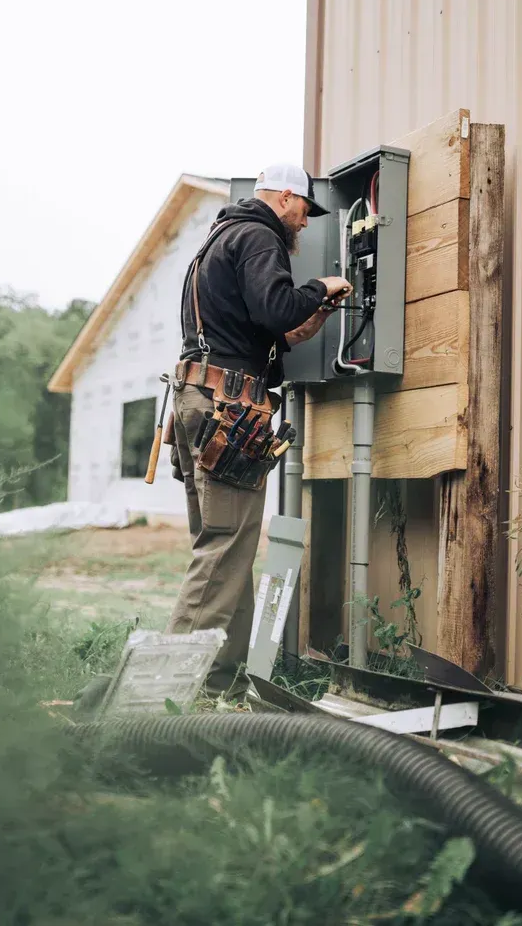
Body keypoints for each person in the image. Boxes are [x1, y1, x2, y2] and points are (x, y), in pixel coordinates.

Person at [166, 163, 352, 699]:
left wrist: (311, 313)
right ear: (286, 198)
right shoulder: (259, 235)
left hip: (198, 398)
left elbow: (265, 326)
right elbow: (276, 305)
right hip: (229, 406)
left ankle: (218, 685)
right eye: (304, 211)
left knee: (230, 545)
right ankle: (166, 695)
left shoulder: (220, 238)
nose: (305, 223)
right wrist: (321, 285)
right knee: (225, 546)